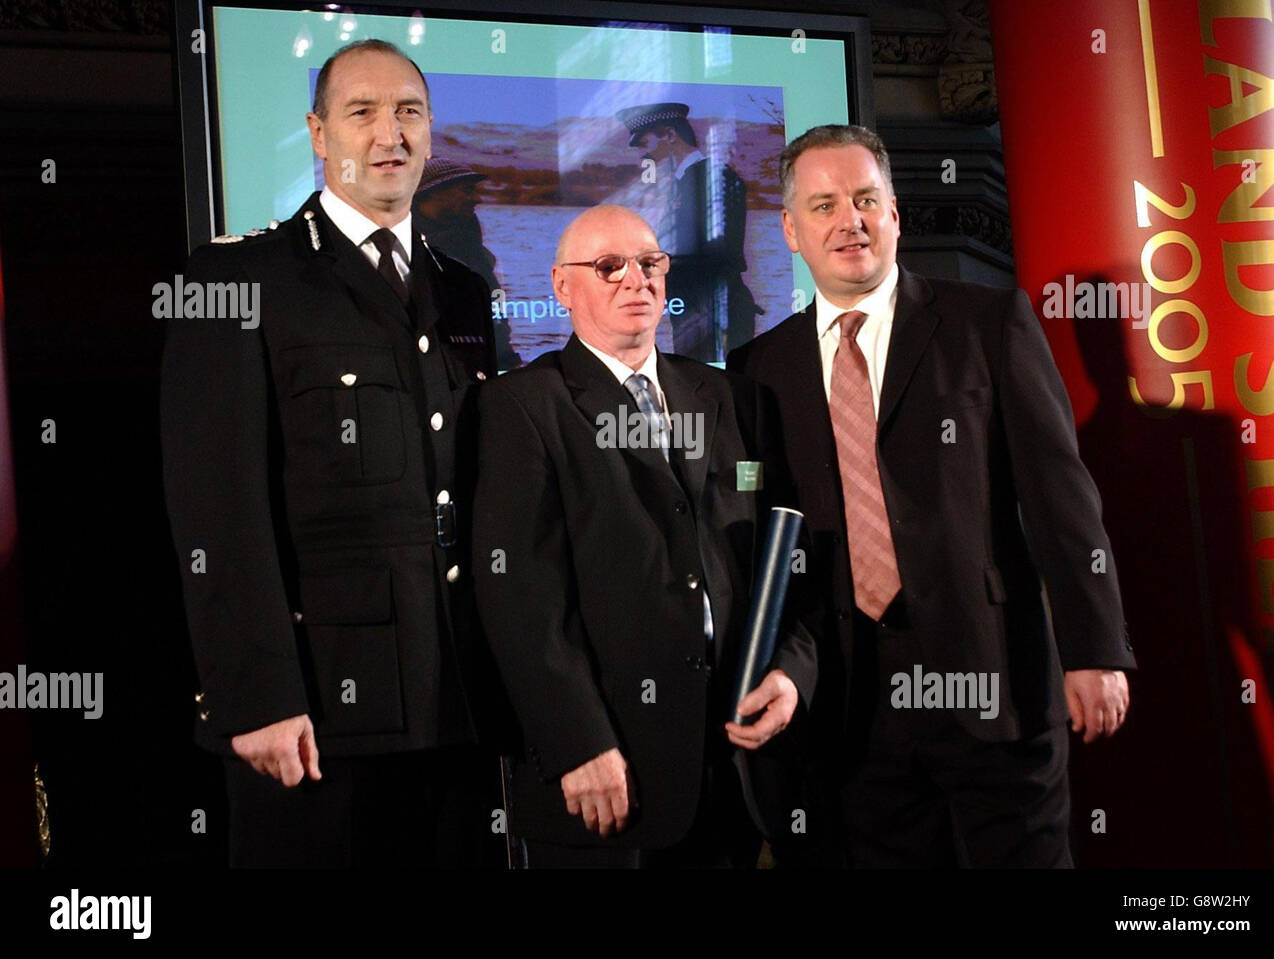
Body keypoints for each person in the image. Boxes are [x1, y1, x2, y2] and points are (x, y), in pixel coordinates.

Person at [728, 124, 1135, 868]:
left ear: (895, 213)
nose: (848, 220)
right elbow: (767, 536)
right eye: (823, 205)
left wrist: (1095, 648)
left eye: (865, 199)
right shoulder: (757, 367)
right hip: (854, 707)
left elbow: (1060, 500)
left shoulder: (987, 323)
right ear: (790, 229)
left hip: (995, 681)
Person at [160, 39, 504, 868]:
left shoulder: (464, 286)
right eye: (363, 113)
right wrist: (257, 697)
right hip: (318, 718)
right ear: (319, 134)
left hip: (457, 705)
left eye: (410, 112)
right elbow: (218, 508)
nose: (390, 133)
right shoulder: (239, 279)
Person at [472, 204, 816, 868]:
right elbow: (521, 601)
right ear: (562, 287)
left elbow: (790, 560)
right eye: (608, 266)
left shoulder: (733, 398)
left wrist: (794, 673)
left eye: (650, 262)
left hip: (734, 766)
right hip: (607, 775)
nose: (637, 279)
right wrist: (578, 743)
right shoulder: (521, 406)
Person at [616, 102, 760, 363]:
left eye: (644, 141)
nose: (640, 152)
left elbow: (719, 253)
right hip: (696, 309)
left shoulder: (713, 178)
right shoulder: (687, 180)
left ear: (670, 135)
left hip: (714, 313)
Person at [412, 156, 521, 370]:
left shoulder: (472, 247)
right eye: (467, 190)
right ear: (433, 192)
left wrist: (506, 363)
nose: (477, 199)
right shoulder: (397, 247)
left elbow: (494, 311)